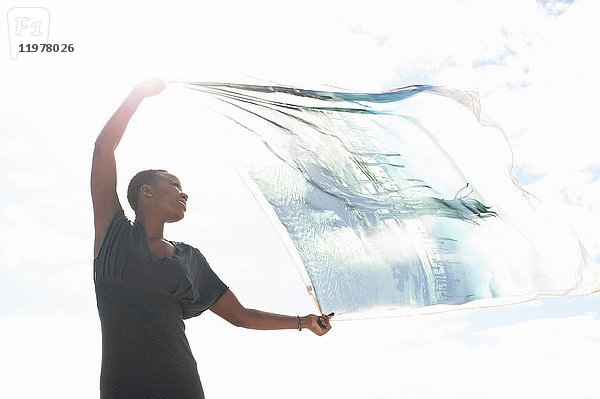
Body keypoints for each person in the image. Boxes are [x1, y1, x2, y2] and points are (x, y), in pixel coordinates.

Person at [91, 79, 332, 398]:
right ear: (146, 192)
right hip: (122, 388)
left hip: (181, 385)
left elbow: (242, 316)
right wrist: (138, 94)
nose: (184, 192)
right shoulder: (113, 233)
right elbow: (103, 149)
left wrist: (305, 322)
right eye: (174, 185)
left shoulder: (189, 258)